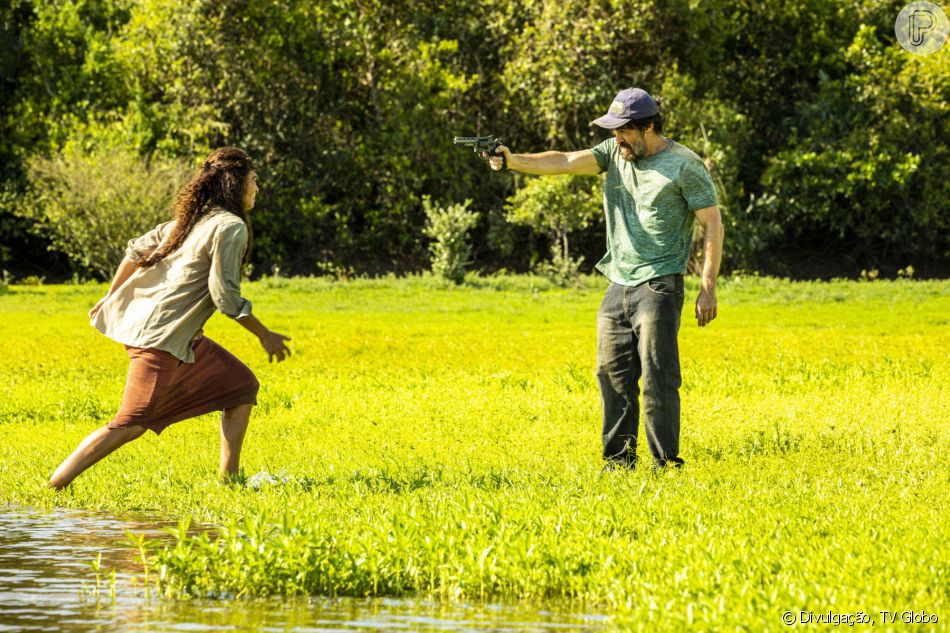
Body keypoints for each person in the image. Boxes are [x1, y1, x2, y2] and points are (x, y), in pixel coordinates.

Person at [485, 88, 724, 470]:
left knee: (658, 377)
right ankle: (618, 464)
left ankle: (666, 464)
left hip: (660, 283)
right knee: (611, 375)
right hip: (618, 283)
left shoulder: (684, 165)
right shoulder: (614, 153)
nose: (617, 139)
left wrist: (707, 287)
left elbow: (712, 224)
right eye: (613, 131)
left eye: (623, 131)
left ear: (647, 126)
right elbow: (563, 161)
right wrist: (512, 160)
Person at [48, 147, 292, 489]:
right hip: (160, 339)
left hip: (174, 336)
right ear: (236, 185)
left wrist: (111, 295)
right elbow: (225, 296)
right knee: (132, 422)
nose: (257, 188)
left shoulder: (195, 218)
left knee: (240, 386)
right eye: (254, 180)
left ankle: (230, 479)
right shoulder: (230, 227)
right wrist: (263, 334)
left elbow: (135, 252)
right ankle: (56, 485)